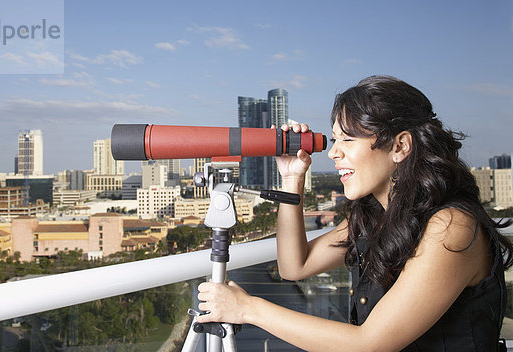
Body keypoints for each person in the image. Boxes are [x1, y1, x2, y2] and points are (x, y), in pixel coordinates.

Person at [196, 75, 513, 351]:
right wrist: (293, 178)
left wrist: (249, 309)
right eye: (335, 139)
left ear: (400, 146)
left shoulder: (451, 226)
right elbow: (295, 266)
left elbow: (370, 343)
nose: (333, 152)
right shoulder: (375, 215)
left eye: (348, 139)